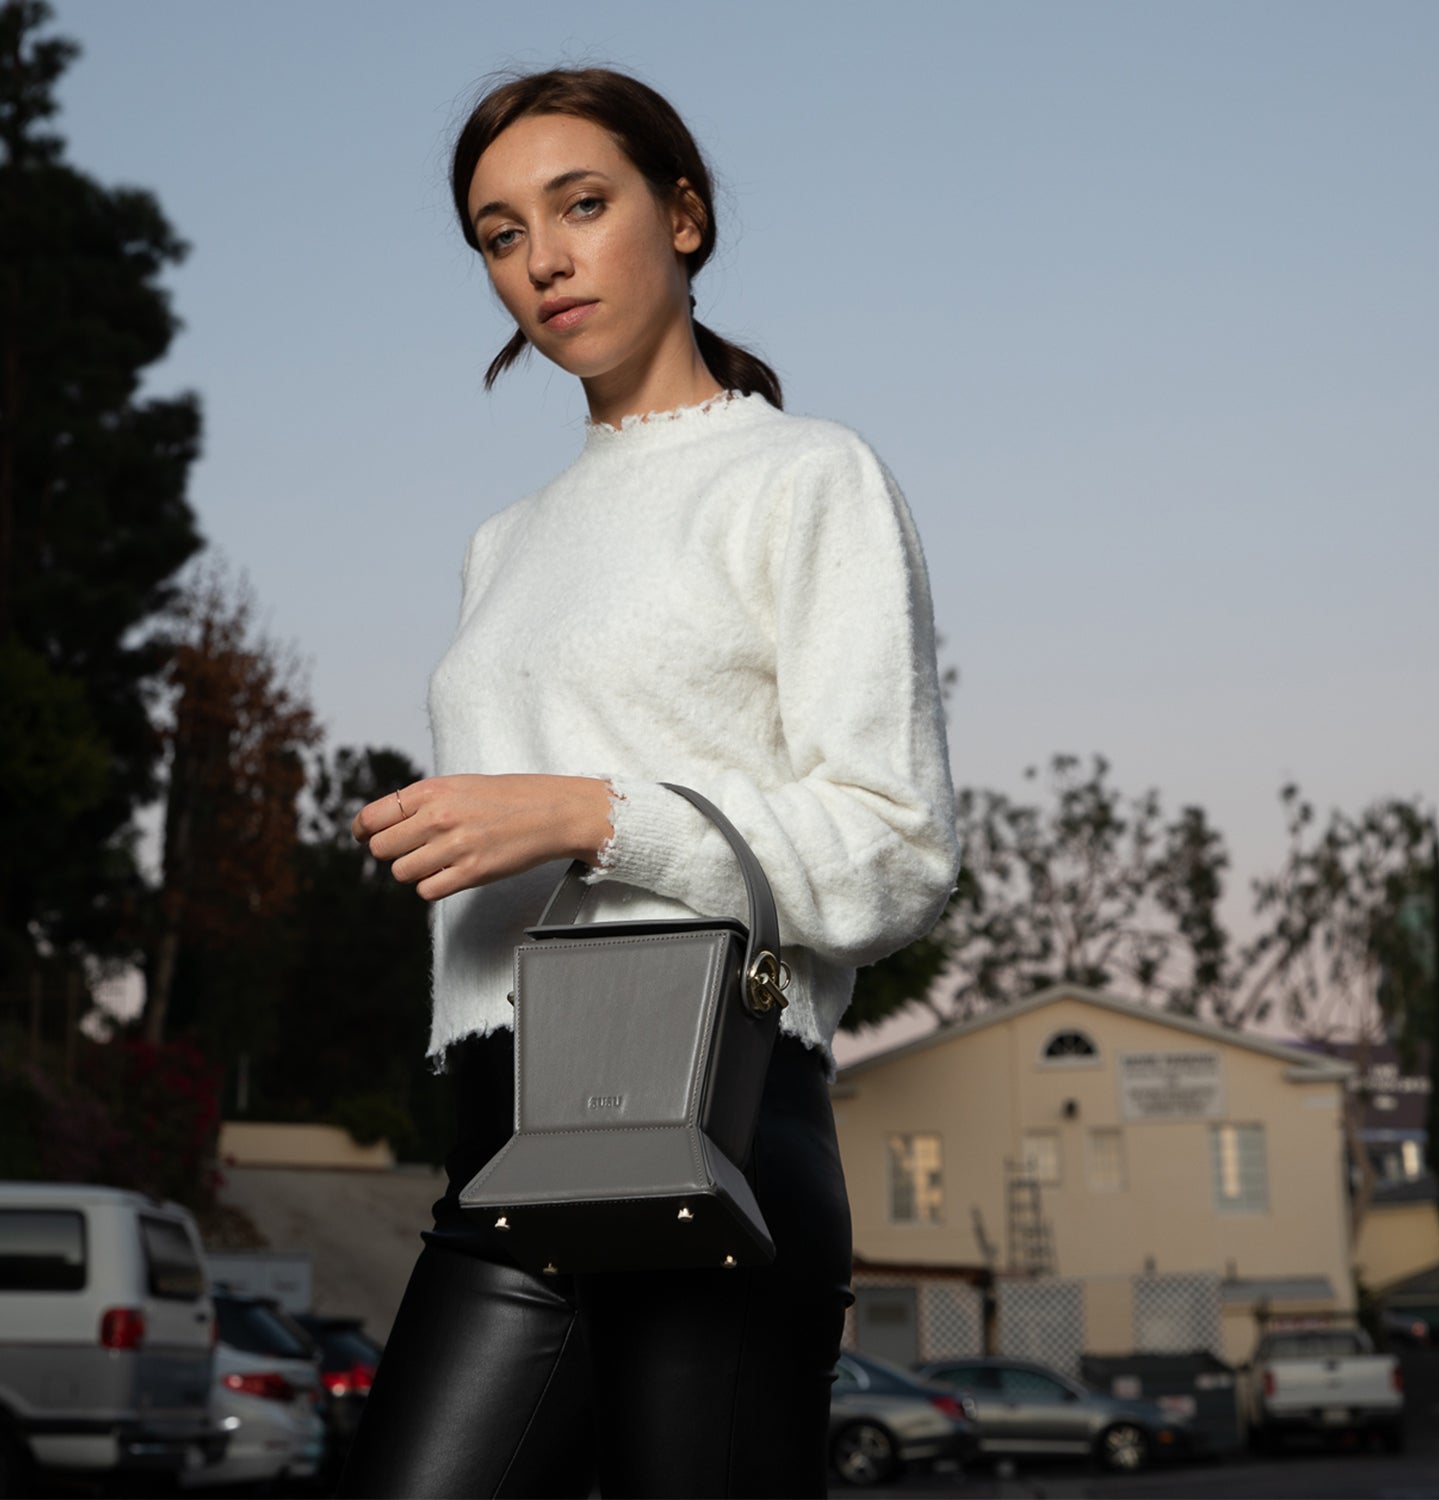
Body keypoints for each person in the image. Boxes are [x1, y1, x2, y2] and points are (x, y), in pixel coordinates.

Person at [336, 67, 959, 1499]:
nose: (542, 259)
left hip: (713, 1126)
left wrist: (587, 814)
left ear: (683, 216)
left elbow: (898, 849)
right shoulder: (505, 540)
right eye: (499, 234)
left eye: (581, 204)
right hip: (504, 1142)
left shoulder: (804, 476)